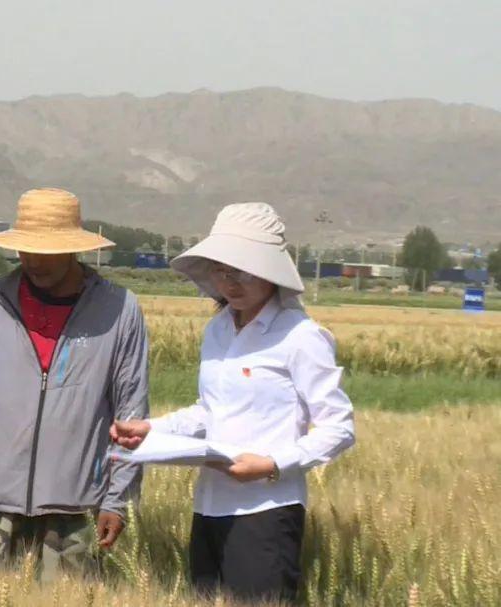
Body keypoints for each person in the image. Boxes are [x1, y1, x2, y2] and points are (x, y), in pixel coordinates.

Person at [112, 202, 355, 603]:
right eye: (221, 270)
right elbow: (211, 410)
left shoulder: (300, 336)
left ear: (271, 271)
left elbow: (339, 427)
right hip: (208, 508)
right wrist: (152, 428)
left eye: (242, 270)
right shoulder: (218, 330)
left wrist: (273, 465)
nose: (230, 282)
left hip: (266, 514)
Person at [0, 188, 148, 582]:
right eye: (26, 250)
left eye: (47, 251)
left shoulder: (119, 311)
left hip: (75, 508)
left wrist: (117, 500)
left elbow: (131, 415)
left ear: (74, 250)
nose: (34, 261)